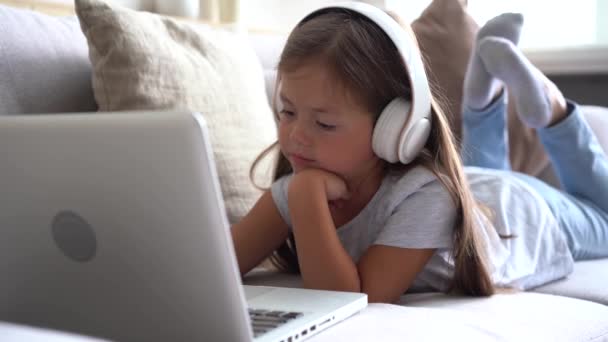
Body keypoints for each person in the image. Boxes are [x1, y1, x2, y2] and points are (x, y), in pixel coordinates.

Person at [231, 4, 608, 304]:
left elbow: (352, 299)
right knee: (476, 168)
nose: (294, 135)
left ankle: (554, 112)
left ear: (395, 125)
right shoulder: (294, 190)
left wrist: (305, 196)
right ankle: (483, 99)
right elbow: (215, 268)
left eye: (324, 124)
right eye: (287, 111)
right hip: (472, 191)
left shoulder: (426, 196)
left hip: (518, 211)